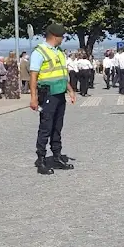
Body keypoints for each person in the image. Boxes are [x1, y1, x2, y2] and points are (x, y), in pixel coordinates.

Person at [29, 24, 77, 175]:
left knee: (57, 126)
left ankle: (56, 156)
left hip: (59, 93)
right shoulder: (39, 52)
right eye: (62, 36)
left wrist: (70, 90)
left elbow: (62, 74)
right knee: (46, 127)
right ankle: (41, 160)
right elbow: (33, 76)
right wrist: (33, 98)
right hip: (48, 94)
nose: (63, 39)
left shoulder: (58, 51)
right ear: (55, 36)